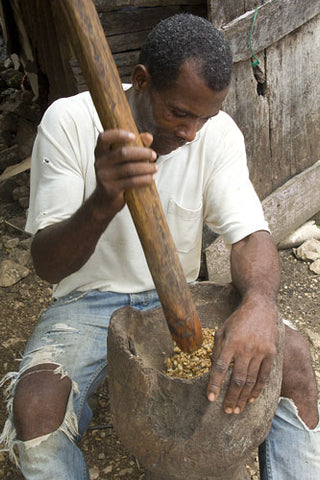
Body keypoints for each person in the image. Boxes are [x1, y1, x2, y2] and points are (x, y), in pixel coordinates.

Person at [1, 13, 319, 480]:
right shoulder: (69, 122)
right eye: (179, 113)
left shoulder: (218, 134)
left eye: (203, 117)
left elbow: (251, 235)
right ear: (142, 80)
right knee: (36, 412)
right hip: (85, 302)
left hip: (180, 296)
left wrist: (259, 302)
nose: (191, 132)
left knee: (291, 359)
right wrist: (103, 202)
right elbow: (48, 265)